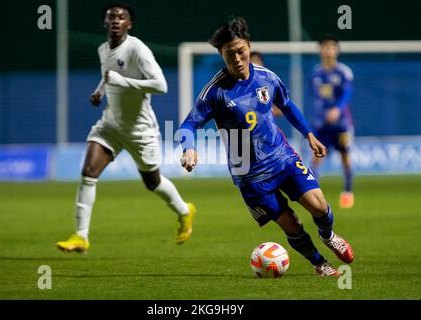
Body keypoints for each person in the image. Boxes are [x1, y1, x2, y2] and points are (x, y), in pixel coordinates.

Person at [179, 17, 353, 276]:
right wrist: (189, 148)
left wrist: (308, 134)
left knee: (319, 206)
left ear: (248, 46)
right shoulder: (215, 92)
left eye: (241, 51)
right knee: (291, 224)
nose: (237, 58)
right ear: (221, 54)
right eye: (229, 54)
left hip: (282, 158)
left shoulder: (267, 78)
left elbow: (287, 105)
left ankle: (328, 236)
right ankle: (320, 264)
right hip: (249, 175)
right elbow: (187, 126)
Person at [56, 3, 196, 253]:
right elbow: (108, 74)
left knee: (152, 182)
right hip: (110, 124)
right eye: (111, 17)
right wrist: (99, 92)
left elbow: (161, 85)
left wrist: (123, 81)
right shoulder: (103, 49)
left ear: (129, 24)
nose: (116, 21)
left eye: (122, 17)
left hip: (141, 131)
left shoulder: (137, 49)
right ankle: (81, 237)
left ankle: (185, 211)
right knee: (88, 173)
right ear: (105, 22)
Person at [310, 34, 354, 208]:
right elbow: (317, 97)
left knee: (345, 156)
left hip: (342, 124)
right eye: (325, 47)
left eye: (331, 47)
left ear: (336, 50)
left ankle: (348, 192)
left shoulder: (344, 72)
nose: (328, 50)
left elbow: (347, 94)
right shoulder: (315, 73)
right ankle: (313, 194)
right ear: (320, 50)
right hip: (322, 125)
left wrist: (337, 109)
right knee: (316, 158)